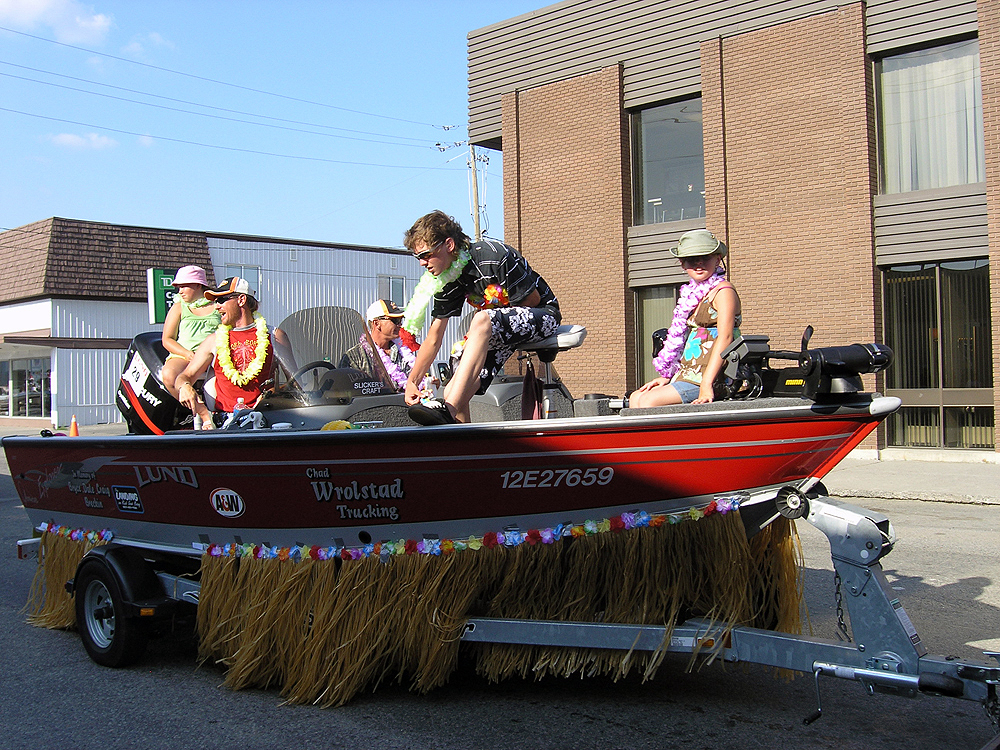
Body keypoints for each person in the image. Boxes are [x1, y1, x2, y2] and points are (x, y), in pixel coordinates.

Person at [401, 210, 560, 424]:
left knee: (482, 319)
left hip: (542, 315)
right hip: (498, 328)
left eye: (426, 255)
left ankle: (448, 411)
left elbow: (532, 300)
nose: (422, 263)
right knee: (453, 383)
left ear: (449, 245)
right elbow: (434, 336)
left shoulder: (492, 256)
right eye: (418, 257)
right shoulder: (447, 279)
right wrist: (413, 381)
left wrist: (492, 318)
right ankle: (460, 435)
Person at [629, 229, 741, 408]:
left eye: (705, 257)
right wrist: (668, 377)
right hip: (688, 374)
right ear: (682, 264)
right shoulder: (694, 294)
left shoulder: (723, 291)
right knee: (636, 397)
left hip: (715, 376)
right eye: (691, 259)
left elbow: (726, 337)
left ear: (717, 259)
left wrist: (706, 384)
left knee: (648, 401)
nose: (699, 263)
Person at [174, 277, 275, 429]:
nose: (216, 306)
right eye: (216, 301)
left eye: (221, 300)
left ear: (241, 300)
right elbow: (184, 377)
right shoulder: (213, 340)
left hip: (267, 419)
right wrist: (185, 387)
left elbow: (295, 382)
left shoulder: (274, 335)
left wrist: (274, 394)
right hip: (226, 423)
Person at [338, 299, 429, 392]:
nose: (400, 325)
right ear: (377, 324)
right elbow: (344, 391)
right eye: (395, 320)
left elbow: (415, 381)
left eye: (401, 320)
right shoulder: (354, 357)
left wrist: (427, 385)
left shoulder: (403, 353)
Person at [160, 266, 221, 398]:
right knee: (169, 375)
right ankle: (197, 408)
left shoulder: (218, 306)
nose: (180, 291)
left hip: (213, 357)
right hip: (183, 356)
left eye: (184, 286)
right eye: (178, 287)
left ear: (198, 285)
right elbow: (167, 339)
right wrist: (186, 354)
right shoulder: (178, 307)